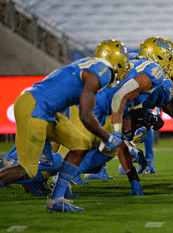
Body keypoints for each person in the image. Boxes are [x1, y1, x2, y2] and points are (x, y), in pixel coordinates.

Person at [0, 39, 130, 212]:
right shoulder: (103, 71)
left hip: (46, 110)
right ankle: (11, 165)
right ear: (118, 62)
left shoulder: (86, 64)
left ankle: (56, 200)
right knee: (28, 169)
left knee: (81, 143)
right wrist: (107, 136)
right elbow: (85, 114)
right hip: (36, 108)